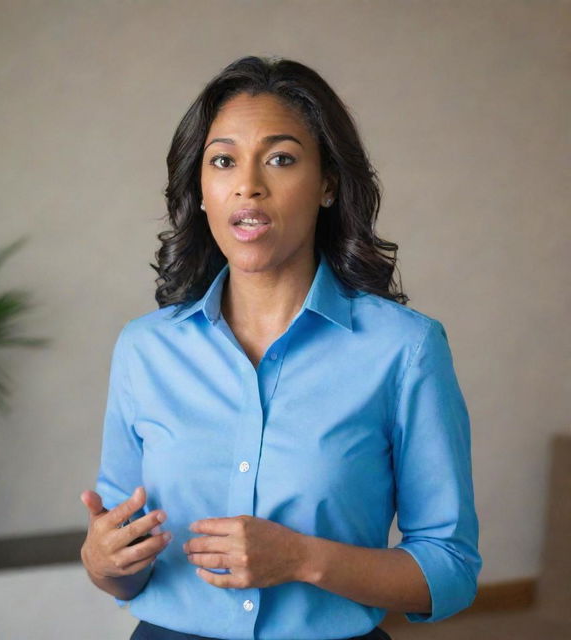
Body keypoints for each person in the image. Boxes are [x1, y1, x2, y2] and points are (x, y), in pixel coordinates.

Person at [80, 55, 482, 640]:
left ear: (327, 184)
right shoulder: (145, 349)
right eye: (223, 160)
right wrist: (103, 564)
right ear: (201, 187)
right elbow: (126, 564)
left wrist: (302, 559)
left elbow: (451, 569)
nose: (249, 184)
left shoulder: (406, 350)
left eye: (280, 158)